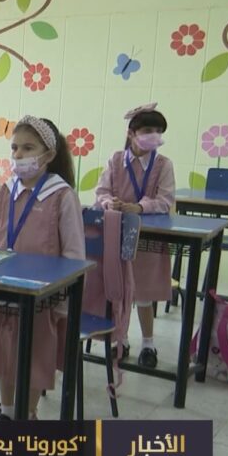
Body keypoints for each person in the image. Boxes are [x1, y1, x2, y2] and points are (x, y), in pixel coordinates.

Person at [0, 115, 84, 420]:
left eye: (28, 148)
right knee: (3, 352)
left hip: (42, 298)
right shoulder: (5, 191)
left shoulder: (62, 195)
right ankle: (7, 412)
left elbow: (74, 254)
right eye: (15, 148)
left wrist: (62, 300)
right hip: (3, 290)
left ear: (48, 155)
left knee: (35, 356)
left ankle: (28, 414)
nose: (19, 155)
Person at [95, 103, 175, 368]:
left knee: (143, 294)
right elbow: (102, 191)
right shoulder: (116, 160)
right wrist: (110, 203)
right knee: (117, 292)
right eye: (148, 130)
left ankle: (148, 344)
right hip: (117, 235)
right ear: (131, 133)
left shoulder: (163, 164)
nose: (154, 136)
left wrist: (139, 207)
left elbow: (165, 200)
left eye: (158, 131)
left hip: (147, 238)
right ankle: (121, 339)